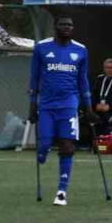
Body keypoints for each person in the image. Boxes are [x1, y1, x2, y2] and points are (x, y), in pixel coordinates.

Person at [28, 15, 94, 206]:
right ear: (55, 27)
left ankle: (62, 191)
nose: (66, 27)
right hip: (47, 105)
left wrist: (88, 108)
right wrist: (33, 104)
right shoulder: (42, 47)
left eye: (70, 25)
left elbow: (83, 80)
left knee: (67, 145)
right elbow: (34, 78)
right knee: (46, 142)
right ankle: (42, 152)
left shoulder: (80, 50)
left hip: (69, 104)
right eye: (63, 25)